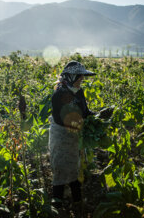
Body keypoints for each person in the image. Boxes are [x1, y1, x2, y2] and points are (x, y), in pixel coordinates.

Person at [48, 61, 96, 210]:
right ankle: (57, 204)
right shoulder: (60, 93)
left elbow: (85, 111)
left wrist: (99, 115)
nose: (81, 81)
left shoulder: (78, 92)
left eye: (82, 79)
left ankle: (77, 203)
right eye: (79, 78)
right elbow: (61, 118)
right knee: (60, 168)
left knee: (74, 168)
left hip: (74, 135)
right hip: (61, 135)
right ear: (70, 77)